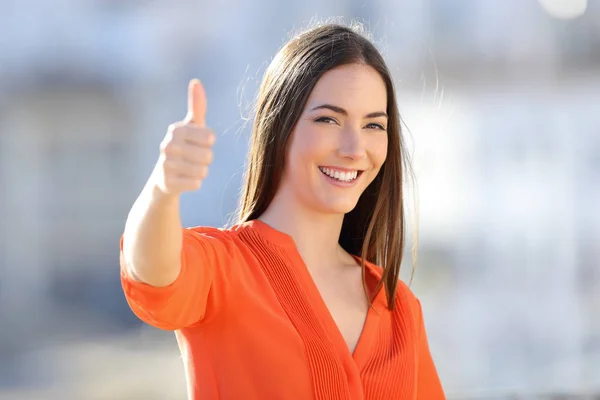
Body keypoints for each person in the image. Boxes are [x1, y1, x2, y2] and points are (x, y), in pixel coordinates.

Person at [120, 23, 445, 399]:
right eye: (328, 119)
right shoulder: (222, 271)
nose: (355, 148)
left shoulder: (398, 308)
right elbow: (150, 270)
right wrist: (162, 189)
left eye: (373, 125)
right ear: (281, 125)